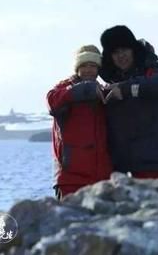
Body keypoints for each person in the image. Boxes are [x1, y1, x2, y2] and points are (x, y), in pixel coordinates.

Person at [99, 25, 158, 180]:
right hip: (121, 171)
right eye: (115, 52)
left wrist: (127, 89)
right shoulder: (111, 85)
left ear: (134, 49)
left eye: (125, 49)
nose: (121, 55)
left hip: (157, 168)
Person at [47, 45, 112, 200]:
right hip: (71, 180)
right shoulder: (63, 89)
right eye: (84, 66)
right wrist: (85, 89)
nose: (89, 70)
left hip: (102, 179)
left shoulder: (104, 92)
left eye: (93, 66)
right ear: (77, 68)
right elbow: (53, 102)